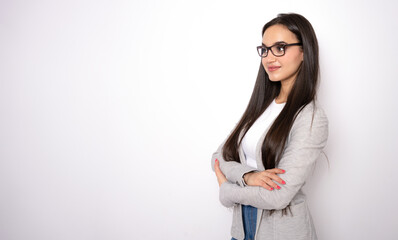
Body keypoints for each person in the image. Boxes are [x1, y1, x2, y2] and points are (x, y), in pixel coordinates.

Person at [211, 13, 328, 240]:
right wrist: (248, 176)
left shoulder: (311, 117)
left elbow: (279, 196)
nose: (269, 57)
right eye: (265, 49)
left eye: (280, 47)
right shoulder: (261, 106)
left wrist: (228, 191)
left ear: (304, 52)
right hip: (242, 230)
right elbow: (218, 157)